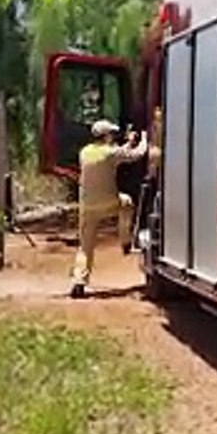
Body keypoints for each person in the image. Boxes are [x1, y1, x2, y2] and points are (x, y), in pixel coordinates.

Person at [70, 119, 148, 299]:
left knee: (85, 246)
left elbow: (117, 153)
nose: (113, 137)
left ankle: (79, 281)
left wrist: (128, 142)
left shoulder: (85, 152)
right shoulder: (111, 152)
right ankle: (125, 240)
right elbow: (137, 154)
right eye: (111, 134)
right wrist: (143, 139)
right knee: (127, 203)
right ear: (106, 136)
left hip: (87, 205)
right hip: (108, 202)